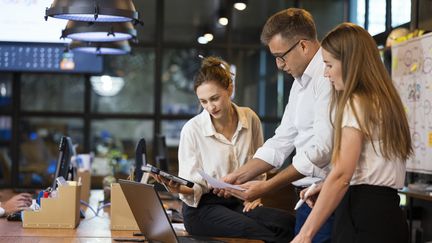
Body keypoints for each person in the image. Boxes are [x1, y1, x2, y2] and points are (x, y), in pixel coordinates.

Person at [291, 23, 412, 243]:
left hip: (361, 217)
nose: (326, 74)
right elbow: (367, 169)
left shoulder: (356, 102)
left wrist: (305, 234)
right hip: (389, 215)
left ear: (349, 62)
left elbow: (341, 175)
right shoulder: (386, 100)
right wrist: (324, 186)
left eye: (329, 65)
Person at [221, 8, 334, 243]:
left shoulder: (328, 77)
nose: (278, 65)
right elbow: (282, 140)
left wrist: (268, 187)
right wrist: (238, 176)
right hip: (305, 199)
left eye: (281, 56)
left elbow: (322, 150)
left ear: (303, 46)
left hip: (326, 199)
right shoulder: (299, 81)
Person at [154, 56, 295, 243]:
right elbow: (193, 186)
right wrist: (175, 188)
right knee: (262, 232)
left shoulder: (250, 118)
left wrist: (257, 194)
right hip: (202, 209)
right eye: (203, 101)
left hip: (237, 202)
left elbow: (260, 163)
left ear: (230, 88)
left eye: (214, 98)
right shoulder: (192, 129)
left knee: (289, 223)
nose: (210, 107)